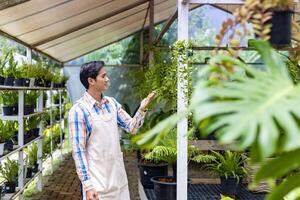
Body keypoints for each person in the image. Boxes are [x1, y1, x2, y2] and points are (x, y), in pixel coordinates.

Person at [68, 61, 155, 200]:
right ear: (91, 80)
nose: (107, 79)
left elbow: (132, 127)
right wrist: (88, 186)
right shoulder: (78, 111)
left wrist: (142, 108)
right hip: (97, 184)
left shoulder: (112, 104)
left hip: (118, 179)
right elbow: (78, 152)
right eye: (103, 76)